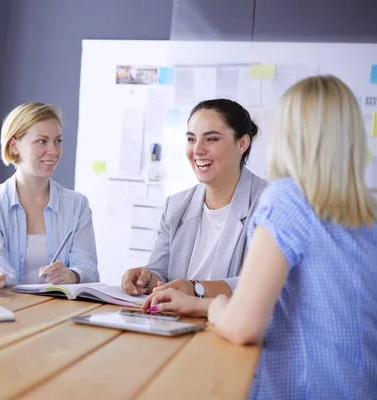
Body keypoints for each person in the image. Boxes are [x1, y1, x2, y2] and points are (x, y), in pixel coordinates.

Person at [152, 76, 377, 398]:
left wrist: (211, 308)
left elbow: (243, 327)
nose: (198, 149)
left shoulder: (286, 199)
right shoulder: (368, 210)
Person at [124, 99, 267, 316]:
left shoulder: (268, 203)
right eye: (191, 139)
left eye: (211, 139)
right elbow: (160, 273)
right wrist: (147, 278)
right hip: (175, 325)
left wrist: (196, 289)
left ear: (242, 143)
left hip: (233, 328)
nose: (197, 150)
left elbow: (259, 283)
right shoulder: (176, 205)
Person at [0, 102, 99, 295]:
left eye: (58, 141)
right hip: (9, 311)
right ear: (15, 146)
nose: (54, 151)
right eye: (42, 141)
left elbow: (88, 266)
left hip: (58, 313)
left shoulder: (77, 205)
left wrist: (72, 275)